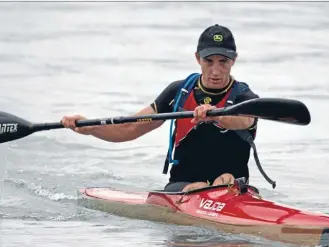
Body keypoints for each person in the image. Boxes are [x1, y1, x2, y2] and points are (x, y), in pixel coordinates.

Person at [61, 24, 259, 192]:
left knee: (224, 179)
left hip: (234, 188)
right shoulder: (179, 92)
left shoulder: (244, 96)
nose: (215, 70)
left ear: (234, 60)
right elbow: (130, 128)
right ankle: (205, 191)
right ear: (198, 58)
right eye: (209, 61)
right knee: (198, 187)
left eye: (223, 62)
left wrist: (217, 116)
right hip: (181, 188)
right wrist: (91, 129)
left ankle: (214, 190)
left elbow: (247, 119)